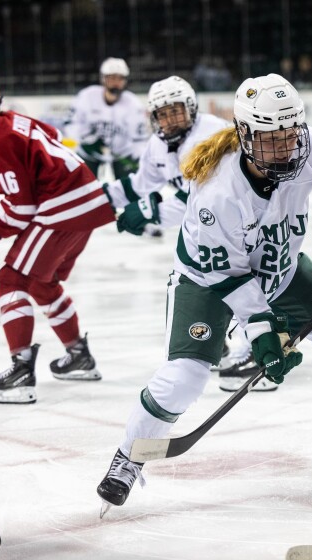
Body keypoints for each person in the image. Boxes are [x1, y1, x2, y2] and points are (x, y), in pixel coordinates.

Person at [96, 73, 312, 514]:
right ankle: (128, 456)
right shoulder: (218, 194)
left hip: (280, 269)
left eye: (291, 134)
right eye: (271, 139)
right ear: (244, 135)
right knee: (185, 378)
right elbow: (231, 278)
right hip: (210, 282)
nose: (285, 147)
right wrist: (263, 334)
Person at [0, 71, 115, 404]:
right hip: (86, 203)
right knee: (41, 283)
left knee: (10, 280)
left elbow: (20, 211)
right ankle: (78, 356)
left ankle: (21, 369)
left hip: (62, 208)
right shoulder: (12, 122)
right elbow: (50, 136)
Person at [101, 75, 259, 392]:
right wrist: (96, 199)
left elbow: (201, 200)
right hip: (208, 231)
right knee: (207, 281)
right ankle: (221, 343)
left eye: (177, 110)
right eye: (163, 113)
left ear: (191, 108)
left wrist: (149, 212)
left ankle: (258, 352)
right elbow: (140, 183)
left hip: (246, 221)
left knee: (248, 282)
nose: (171, 119)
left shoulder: (212, 134)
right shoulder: (158, 145)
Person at [64, 57, 148, 180]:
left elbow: (139, 139)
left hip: (121, 155)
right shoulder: (86, 97)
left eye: (120, 78)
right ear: (103, 78)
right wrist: (87, 140)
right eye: (112, 78)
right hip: (89, 153)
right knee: (84, 189)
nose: (116, 82)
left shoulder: (133, 104)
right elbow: (71, 124)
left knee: (129, 190)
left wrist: (136, 159)